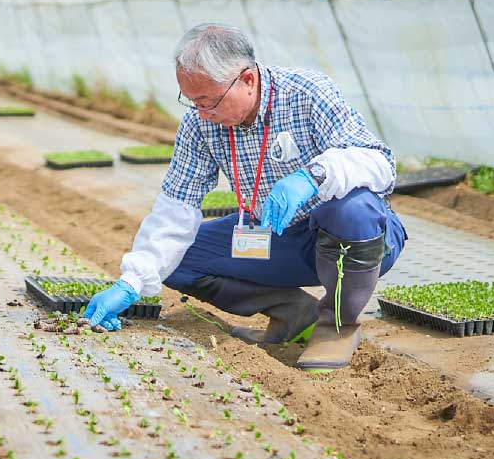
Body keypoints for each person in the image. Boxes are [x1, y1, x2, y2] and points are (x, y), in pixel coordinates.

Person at [83, 23, 405, 371]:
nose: (202, 113)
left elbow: (379, 162)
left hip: (349, 239)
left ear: (247, 80)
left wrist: (312, 177)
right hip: (277, 236)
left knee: (354, 209)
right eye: (192, 102)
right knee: (178, 261)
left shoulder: (307, 93)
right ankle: (294, 312)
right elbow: (177, 205)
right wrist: (131, 282)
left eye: (209, 102)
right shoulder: (200, 124)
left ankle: (336, 326)